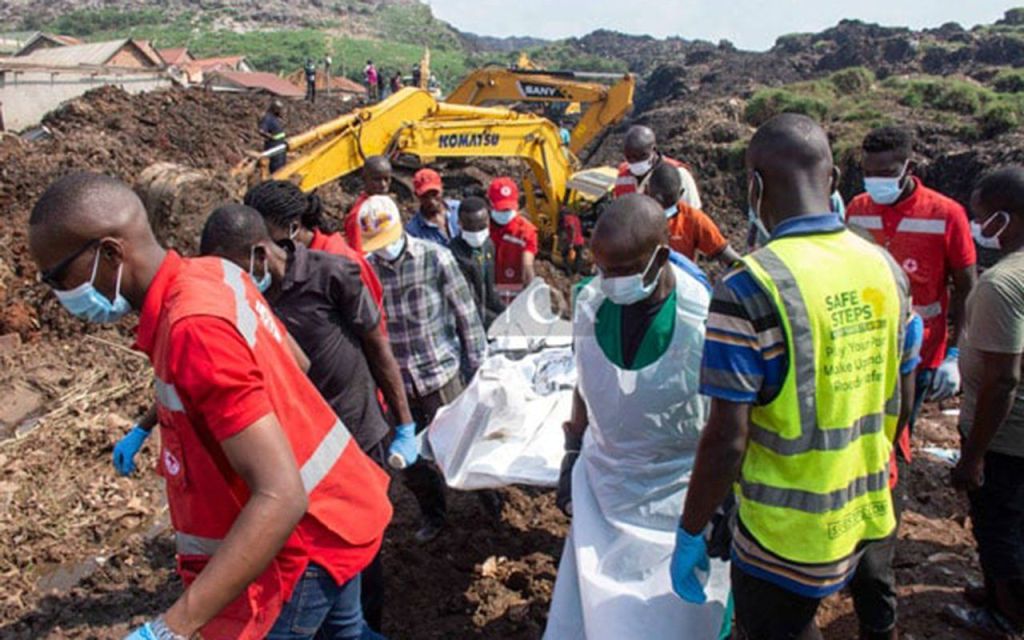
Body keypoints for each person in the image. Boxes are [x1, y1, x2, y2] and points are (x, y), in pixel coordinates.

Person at [29, 173, 391, 640]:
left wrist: (171, 627)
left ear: (111, 253)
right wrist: (146, 426)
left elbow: (280, 495)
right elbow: (294, 362)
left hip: (300, 549)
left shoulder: (192, 326)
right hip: (336, 512)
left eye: (57, 277)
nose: (58, 293)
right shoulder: (214, 274)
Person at [671, 114, 919, 640]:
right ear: (834, 179)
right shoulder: (885, 268)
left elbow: (726, 438)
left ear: (755, 187)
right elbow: (904, 389)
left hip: (784, 532)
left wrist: (692, 528)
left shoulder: (749, 287)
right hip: (866, 504)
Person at [199, 203, 416, 633]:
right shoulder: (247, 296)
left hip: (355, 435)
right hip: (302, 447)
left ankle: (367, 623)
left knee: (361, 554)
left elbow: (377, 346)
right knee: (322, 563)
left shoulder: (332, 274)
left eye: (232, 268)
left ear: (261, 253)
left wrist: (404, 422)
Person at [545, 194, 727, 639]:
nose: (609, 281)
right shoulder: (590, 302)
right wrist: (572, 451)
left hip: (677, 501)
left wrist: (723, 496)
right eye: (602, 269)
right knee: (595, 616)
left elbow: (727, 420)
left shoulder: (702, 318)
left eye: (622, 271)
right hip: (604, 492)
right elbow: (586, 380)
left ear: (660, 257)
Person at [360, 195, 488, 543]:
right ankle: (433, 513)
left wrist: (479, 368)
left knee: (463, 444)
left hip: (440, 372)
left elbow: (466, 315)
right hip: (399, 383)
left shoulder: (435, 257)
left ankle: (488, 500)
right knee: (410, 460)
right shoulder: (366, 271)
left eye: (387, 242)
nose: (383, 250)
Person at [847, 126, 977, 433]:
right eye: (868, 173)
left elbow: (967, 286)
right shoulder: (857, 209)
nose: (875, 181)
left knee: (899, 429)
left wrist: (956, 354)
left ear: (910, 167)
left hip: (922, 352)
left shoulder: (946, 214)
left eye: (885, 173)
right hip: (866, 349)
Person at [950, 166, 1024, 635]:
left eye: (982, 218)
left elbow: (1002, 382)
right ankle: (998, 591)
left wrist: (973, 455)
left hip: (1003, 436)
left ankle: (1006, 616)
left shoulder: (1001, 284)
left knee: (998, 527)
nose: (977, 227)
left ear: (1005, 218)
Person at [244, 180, 385, 316]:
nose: (260, 245)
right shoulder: (288, 264)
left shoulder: (341, 262)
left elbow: (375, 323)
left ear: (293, 228)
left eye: (266, 236)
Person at [646, 162, 741, 267]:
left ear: (681, 194)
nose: (662, 206)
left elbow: (725, 253)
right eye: (657, 199)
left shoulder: (692, 219)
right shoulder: (636, 217)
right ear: (647, 190)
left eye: (669, 200)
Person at [613, 124, 702, 210]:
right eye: (629, 157)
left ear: (654, 149)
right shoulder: (622, 176)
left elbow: (693, 212)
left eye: (642, 155)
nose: (635, 161)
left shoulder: (678, 174)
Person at [450, 196, 505, 328]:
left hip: (487, 316)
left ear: (488, 221)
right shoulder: (454, 256)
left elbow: (491, 292)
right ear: (459, 223)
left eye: (481, 227)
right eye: (471, 228)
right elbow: (469, 304)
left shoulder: (488, 245)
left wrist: (508, 313)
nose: (477, 233)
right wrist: (500, 324)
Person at [487, 177, 537, 304]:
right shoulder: (481, 227)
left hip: (513, 301)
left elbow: (527, 266)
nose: (505, 213)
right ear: (489, 204)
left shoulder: (526, 231)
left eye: (508, 209)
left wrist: (532, 292)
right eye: (501, 209)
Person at [344, 156, 392, 253]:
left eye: (386, 179)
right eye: (377, 179)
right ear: (364, 179)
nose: (383, 185)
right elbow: (359, 253)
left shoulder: (386, 204)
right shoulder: (360, 214)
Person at [405, 168, 460, 248]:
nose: (431, 201)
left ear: (442, 188)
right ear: (416, 195)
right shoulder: (413, 230)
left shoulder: (459, 209)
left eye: (434, 194)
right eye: (425, 197)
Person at [258, 99, 287, 174]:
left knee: (282, 167)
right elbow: (261, 131)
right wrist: (271, 137)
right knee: (277, 169)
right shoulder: (267, 118)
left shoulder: (275, 118)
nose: (281, 112)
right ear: (275, 109)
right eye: (279, 110)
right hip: (274, 146)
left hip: (280, 146)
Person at [557, 209, 585, 275]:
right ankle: (577, 273)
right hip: (580, 241)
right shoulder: (576, 218)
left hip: (573, 241)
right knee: (578, 257)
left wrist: (572, 242)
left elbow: (573, 229)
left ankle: (568, 272)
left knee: (564, 254)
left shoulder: (567, 218)